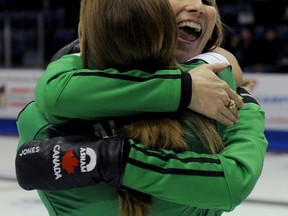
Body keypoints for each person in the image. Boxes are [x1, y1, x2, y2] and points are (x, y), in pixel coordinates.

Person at [16, 0, 267, 215]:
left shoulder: (40, 124)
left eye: (207, 1)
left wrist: (107, 159)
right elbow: (233, 182)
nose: (198, 6)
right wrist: (238, 100)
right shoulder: (209, 114)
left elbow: (56, 94)